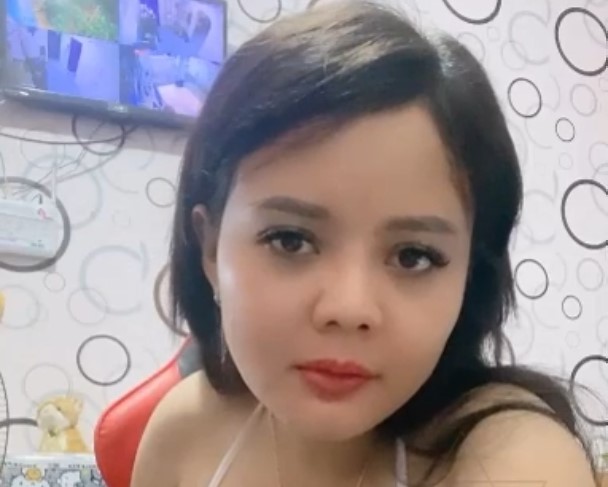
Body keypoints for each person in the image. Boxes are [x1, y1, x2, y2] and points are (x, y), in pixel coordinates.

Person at [130, 2, 598, 486]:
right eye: (290, 240)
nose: (349, 307)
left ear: (468, 278)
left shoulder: (509, 459)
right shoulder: (185, 431)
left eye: (413, 256)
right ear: (210, 249)